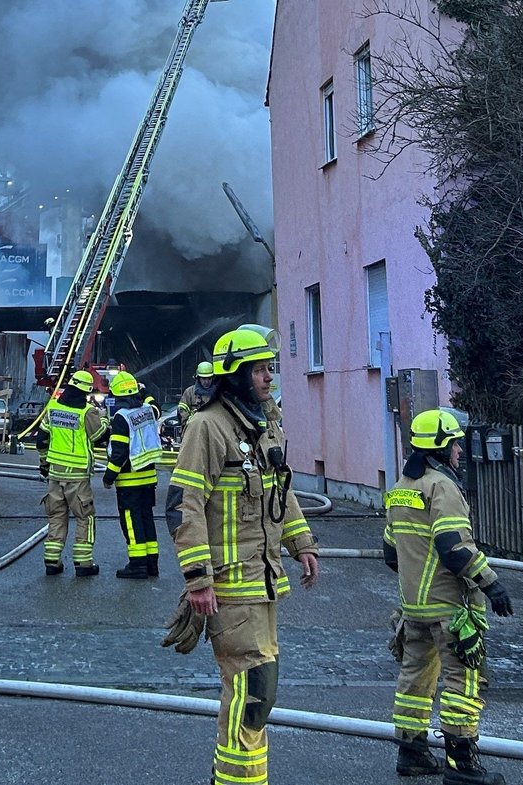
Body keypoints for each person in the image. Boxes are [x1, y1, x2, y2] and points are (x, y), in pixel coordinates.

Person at [166, 329, 319, 785]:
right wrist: (198, 579)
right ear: (234, 376)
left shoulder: (264, 423)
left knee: (259, 689)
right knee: (253, 690)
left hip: (263, 581)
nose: (269, 377)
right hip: (230, 584)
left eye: (270, 367)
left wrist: (302, 544)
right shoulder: (207, 427)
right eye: (259, 369)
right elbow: (183, 504)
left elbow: (280, 492)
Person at [384, 409, 513, 783]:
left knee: (414, 680)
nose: (459, 450)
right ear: (440, 448)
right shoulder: (443, 487)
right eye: (455, 443)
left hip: (414, 609)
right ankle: (463, 767)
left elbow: (391, 552)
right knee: (463, 683)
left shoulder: (400, 487)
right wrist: (492, 585)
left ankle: (412, 754)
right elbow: (453, 547)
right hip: (450, 610)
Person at [37, 369, 108, 576]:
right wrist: (103, 419)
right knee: (85, 517)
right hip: (77, 476)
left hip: (55, 474)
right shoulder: (87, 412)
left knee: (57, 516)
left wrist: (44, 462)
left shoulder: (53, 408)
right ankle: (83, 563)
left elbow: (42, 439)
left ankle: (52, 561)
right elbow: (99, 436)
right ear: (86, 391)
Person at [103, 370, 164, 579]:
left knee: (131, 521)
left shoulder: (121, 418)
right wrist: (144, 391)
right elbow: (156, 405)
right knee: (147, 518)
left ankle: (137, 564)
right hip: (149, 478)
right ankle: (151, 564)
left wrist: (108, 477)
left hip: (129, 479)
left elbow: (119, 453)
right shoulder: (149, 410)